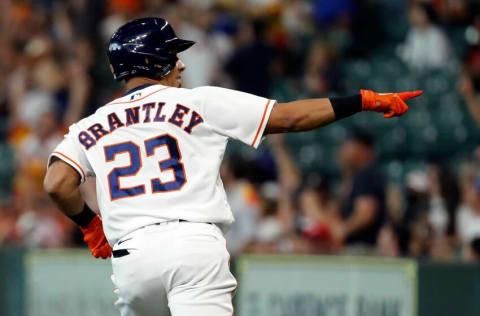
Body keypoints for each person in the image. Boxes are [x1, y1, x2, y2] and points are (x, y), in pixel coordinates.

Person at [43, 17, 422, 316]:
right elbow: (289, 118)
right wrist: (362, 99)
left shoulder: (91, 124)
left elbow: (57, 183)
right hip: (192, 247)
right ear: (153, 60)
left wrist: (89, 224)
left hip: (132, 259)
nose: (182, 64)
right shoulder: (198, 102)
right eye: (173, 55)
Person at [333, 130, 387, 253]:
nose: (345, 151)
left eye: (350, 145)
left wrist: (342, 230)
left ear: (363, 149)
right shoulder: (360, 174)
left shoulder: (366, 174)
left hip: (363, 248)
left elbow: (366, 213)